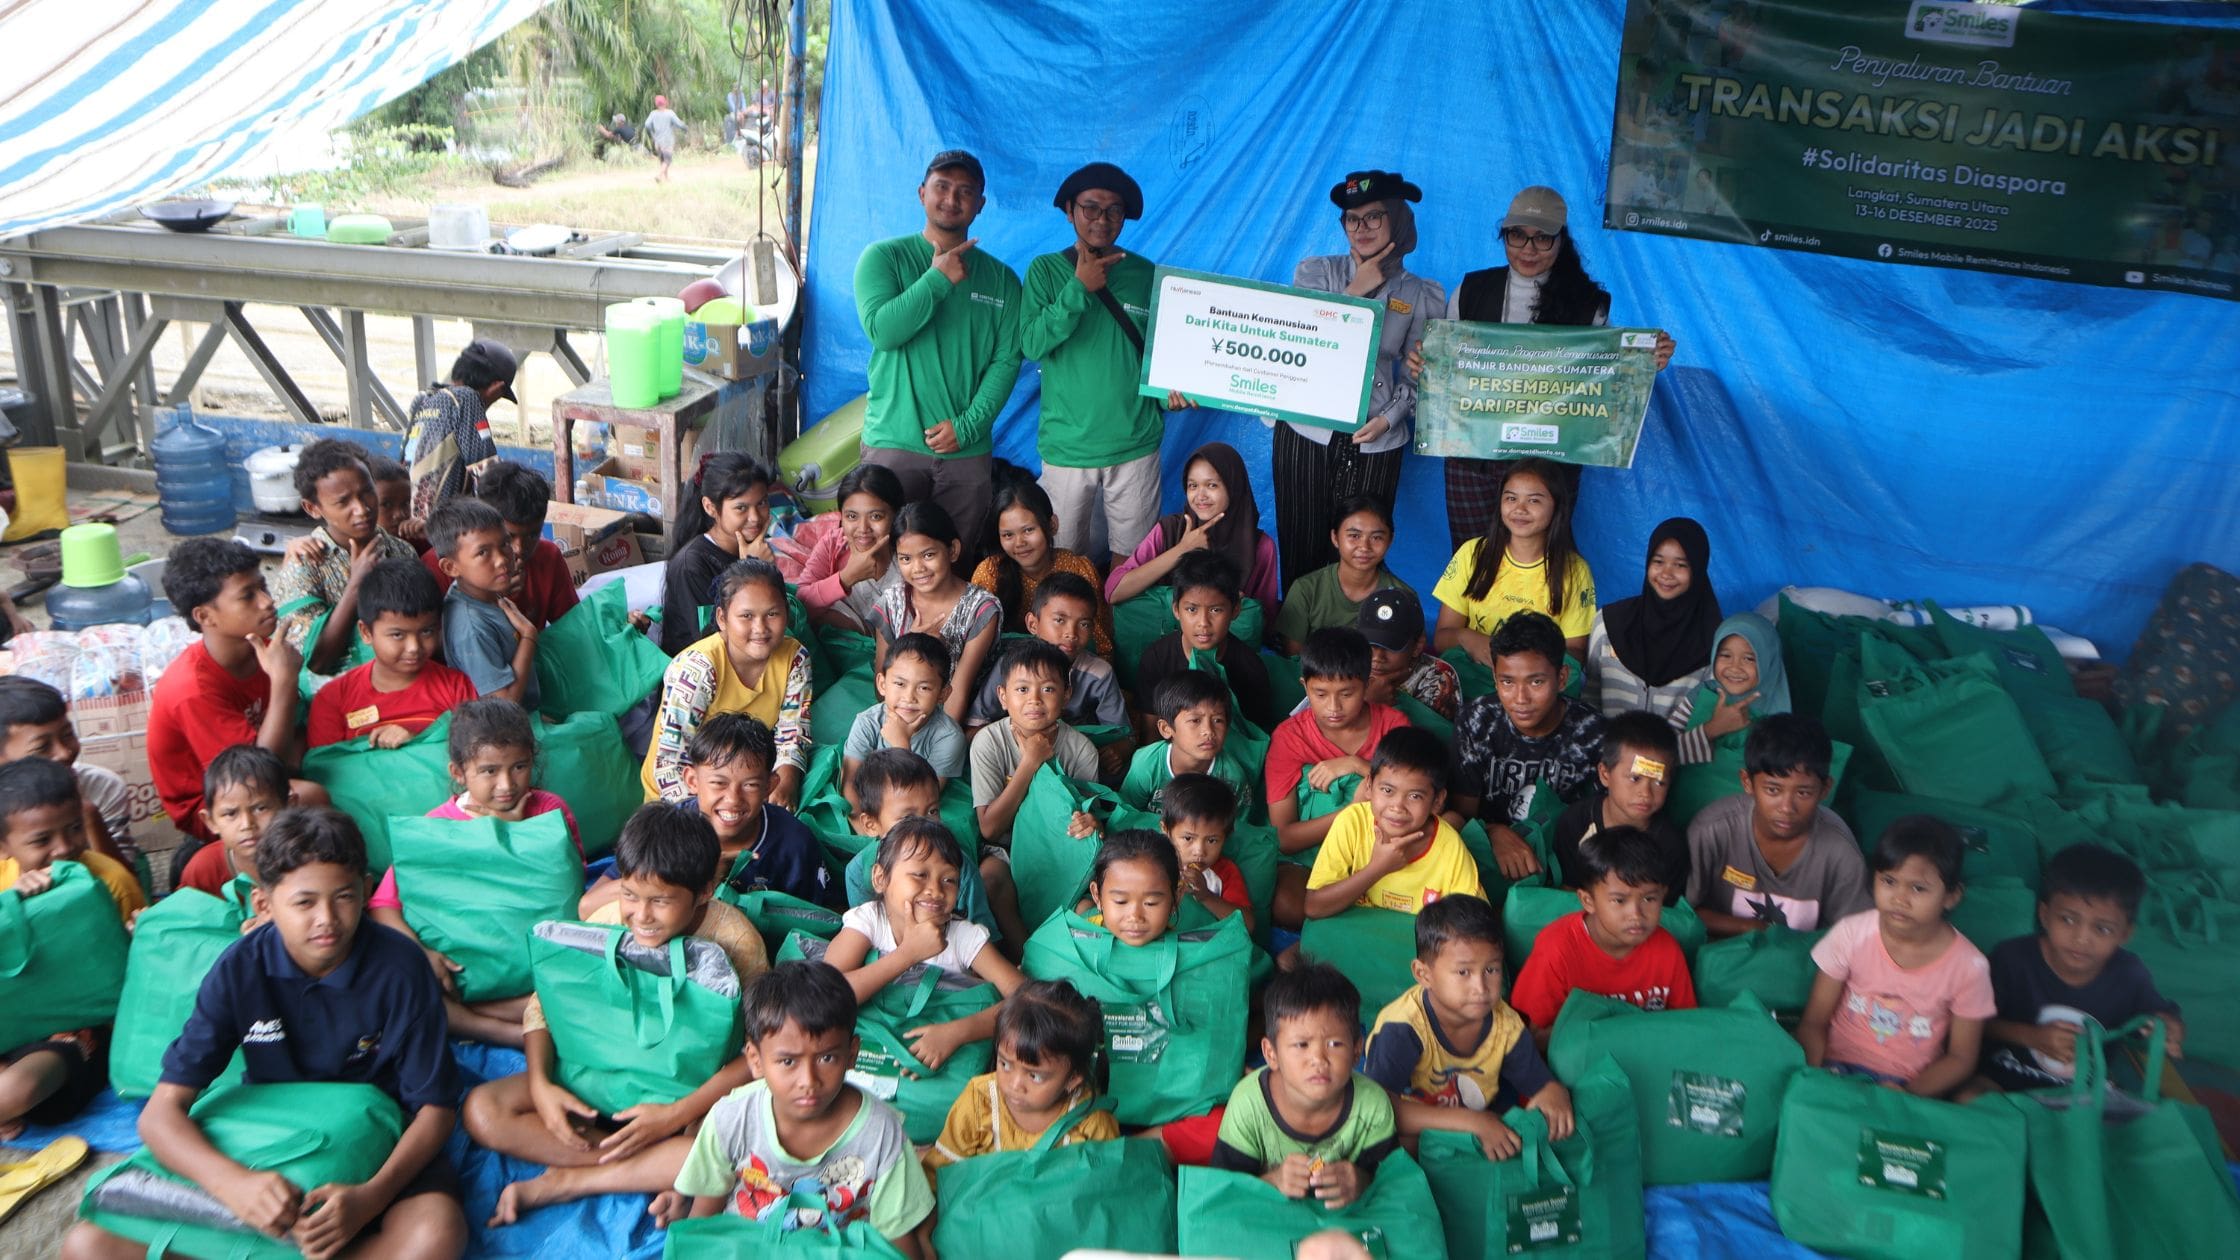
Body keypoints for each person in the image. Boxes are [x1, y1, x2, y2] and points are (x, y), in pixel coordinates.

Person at [61, 809, 467, 1260]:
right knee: (88, 1245)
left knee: (436, 1234)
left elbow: (435, 1110)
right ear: (264, 904)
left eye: (344, 897)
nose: (326, 918)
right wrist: (234, 1183)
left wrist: (370, 1197)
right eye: (304, 902)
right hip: (269, 1131)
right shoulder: (240, 969)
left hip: (382, 1136)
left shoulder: (401, 968)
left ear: (367, 891)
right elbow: (159, 1116)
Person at [471, 803, 764, 1224]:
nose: (640, 916)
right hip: (597, 1080)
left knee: (724, 1152)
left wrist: (675, 1115)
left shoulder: (737, 941)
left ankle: (573, 1179)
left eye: (660, 901)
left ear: (705, 890)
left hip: (685, 1096)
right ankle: (644, 1166)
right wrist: (540, 1088)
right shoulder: (610, 920)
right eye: (630, 894)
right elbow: (543, 1007)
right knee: (483, 1110)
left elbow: (757, 1052)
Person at [1416, 186, 1676, 550]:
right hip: (1473, 457)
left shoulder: (1588, 304)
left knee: (1538, 561)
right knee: (1472, 559)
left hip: (1549, 462)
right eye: (1517, 235)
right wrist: (1424, 367)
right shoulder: (1470, 290)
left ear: (1561, 240)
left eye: (1542, 239)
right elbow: (1448, 371)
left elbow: (1605, 376)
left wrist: (1646, 363)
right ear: (1503, 235)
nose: (1528, 249)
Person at [651, 962, 933, 1256]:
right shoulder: (732, 1117)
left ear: (852, 1054)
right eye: (788, 1062)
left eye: (827, 1059)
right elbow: (705, 1225)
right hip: (750, 1247)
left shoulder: (881, 1132)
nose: (808, 1081)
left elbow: (899, 1244)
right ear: (755, 1060)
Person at [371, 698, 582, 1047]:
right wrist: (423, 954)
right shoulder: (436, 829)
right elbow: (383, 906)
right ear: (458, 772)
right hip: (463, 978)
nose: (506, 784)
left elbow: (565, 887)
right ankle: (516, 1026)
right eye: (489, 771)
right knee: (405, 985)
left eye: (519, 767)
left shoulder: (550, 812)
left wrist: (509, 834)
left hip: (540, 970)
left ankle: (488, 1019)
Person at [1273, 171, 1443, 585]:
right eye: (1353, 219)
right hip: (1307, 430)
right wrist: (1357, 290)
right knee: (1301, 540)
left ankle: (1359, 642)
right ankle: (1299, 642)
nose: (1362, 228)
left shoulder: (1420, 292)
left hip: (1377, 435)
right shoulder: (1317, 273)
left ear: (1397, 221)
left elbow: (1421, 373)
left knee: (1364, 552)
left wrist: (1390, 418)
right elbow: (1305, 343)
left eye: (1374, 217)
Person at [854, 150, 1023, 558]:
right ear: (921, 193)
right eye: (942, 187)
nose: (952, 198)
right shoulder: (883, 258)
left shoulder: (1001, 279)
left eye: (965, 191)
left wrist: (967, 427)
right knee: (880, 559)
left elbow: (1006, 362)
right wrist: (938, 278)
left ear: (980, 205)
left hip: (966, 453)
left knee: (954, 560)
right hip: (895, 441)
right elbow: (884, 330)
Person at [1020, 163, 1166, 566]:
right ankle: (1065, 631)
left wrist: (1174, 392)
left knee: (1132, 560)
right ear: (1070, 211)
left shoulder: (1146, 274)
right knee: (1063, 556)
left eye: (1113, 211)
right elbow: (1031, 343)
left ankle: (1122, 629)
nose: (1102, 219)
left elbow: (1164, 351)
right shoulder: (1046, 270)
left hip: (1134, 441)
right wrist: (1078, 289)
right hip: (1068, 445)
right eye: (1090, 208)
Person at [1798, 817, 1993, 1097]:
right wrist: (1814, 1075)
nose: (1900, 898)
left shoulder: (1969, 967)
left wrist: (1908, 1094)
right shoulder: (1851, 933)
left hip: (1909, 1084)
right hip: (1833, 1069)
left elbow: (1961, 1058)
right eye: (1889, 881)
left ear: (1951, 896)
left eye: (1918, 888)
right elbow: (1813, 1021)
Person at [1363, 894, 1571, 1157]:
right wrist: (1472, 1123)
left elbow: (1539, 1083)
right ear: (1423, 974)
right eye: (1464, 972)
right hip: (1416, 1128)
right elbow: (1379, 1110)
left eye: (1491, 970)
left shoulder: (1506, 1024)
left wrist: (1554, 1093)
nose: (1481, 988)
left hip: (1480, 1122)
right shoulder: (1402, 1029)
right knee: (1384, 1149)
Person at [0, 759, 139, 1142]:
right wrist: (16, 906)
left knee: (14, 1092)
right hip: (10, 1022)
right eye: (41, 840)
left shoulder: (109, 881)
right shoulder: (3, 888)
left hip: (78, 1029)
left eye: (75, 828)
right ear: (3, 846)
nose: (64, 848)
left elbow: (131, 978)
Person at [1975, 843, 2185, 1093]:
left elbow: (2159, 1018)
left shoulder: (2129, 975)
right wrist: (2032, 1037)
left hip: (2083, 1091)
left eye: (2102, 929)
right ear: (2044, 915)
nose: (2082, 938)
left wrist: (2169, 1030)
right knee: (1970, 1097)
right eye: (2068, 919)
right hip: (2005, 1075)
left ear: (2125, 934)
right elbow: (1974, 1022)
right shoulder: (2012, 958)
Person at [825, 818, 1028, 1072]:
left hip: (944, 1060)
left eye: (949, 880)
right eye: (920, 875)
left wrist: (957, 1033)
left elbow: (1026, 998)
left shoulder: (964, 938)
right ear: (880, 878)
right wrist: (908, 954)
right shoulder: (869, 920)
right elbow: (825, 995)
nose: (935, 890)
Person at [150, 538, 316, 844]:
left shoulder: (260, 648)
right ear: (204, 616)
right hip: (216, 805)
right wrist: (284, 681)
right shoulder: (192, 689)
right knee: (313, 795)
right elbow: (256, 776)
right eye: (247, 596)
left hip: (263, 765)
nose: (267, 601)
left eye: (263, 586)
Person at [1210, 963, 1396, 1209]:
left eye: (1334, 1044)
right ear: (1271, 1053)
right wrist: (1273, 1181)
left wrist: (1360, 1181)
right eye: (1301, 1045)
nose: (1318, 1059)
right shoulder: (1249, 1105)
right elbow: (1222, 1191)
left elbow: (1393, 1184)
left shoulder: (1372, 1106)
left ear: (1356, 1051)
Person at [1446, 612, 1609, 881]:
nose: (1521, 698)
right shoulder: (1477, 721)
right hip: (1489, 854)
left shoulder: (1592, 733)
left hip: (1563, 862)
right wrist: (1494, 832)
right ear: (1496, 679)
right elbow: (1462, 815)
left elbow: (1598, 827)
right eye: (1507, 682)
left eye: (1536, 682)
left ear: (1562, 677)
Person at [643, 559, 811, 809]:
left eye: (772, 614)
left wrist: (783, 786)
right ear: (722, 618)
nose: (760, 628)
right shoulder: (697, 669)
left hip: (748, 790)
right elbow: (670, 764)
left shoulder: (795, 659)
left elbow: (792, 735)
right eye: (746, 616)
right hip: (681, 800)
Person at [1687, 713, 1871, 938]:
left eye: (1803, 792)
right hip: (1720, 962)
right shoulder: (1712, 830)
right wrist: (1754, 929)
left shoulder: (1840, 853)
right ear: (1747, 782)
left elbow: (1854, 938)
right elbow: (1685, 915)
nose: (1786, 807)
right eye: (1773, 790)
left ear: (1825, 789)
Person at [971, 638, 1102, 945]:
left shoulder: (1081, 749)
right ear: (1003, 696)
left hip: (1057, 849)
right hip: (1006, 848)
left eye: (1048, 689)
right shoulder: (988, 741)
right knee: (990, 880)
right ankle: (1025, 957)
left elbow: (1084, 822)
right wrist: (1030, 763)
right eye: (1022, 689)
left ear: (1067, 695)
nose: (1035, 700)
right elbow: (990, 829)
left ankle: (1061, 952)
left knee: (1088, 901)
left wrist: (1091, 823)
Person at [1509, 827, 1698, 1035]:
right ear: (1588, 901)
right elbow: (1527, 1036)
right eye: (1619, 900)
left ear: (1663, 896)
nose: (1636, 914)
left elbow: (1685, 1027)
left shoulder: (1667, 950)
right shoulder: (1557, 950)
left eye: (1649, 899)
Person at [923, 979, 1118, 1173]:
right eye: (1005, 1064)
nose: (1015, 1085)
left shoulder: (1091, 1123)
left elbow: (1103, 1187)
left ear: (1072, 1079)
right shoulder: (980, 1102)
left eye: (1035, 1077)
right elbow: (942, 1173)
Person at [275, 439, 422, 677]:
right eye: (343, 502)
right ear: (313, 508)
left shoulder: (402, 551)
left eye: (367, 492)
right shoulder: (305, 563)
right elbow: (314, 662)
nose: (362, 508)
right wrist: (356, 585)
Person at [1267, 627, 1410, 868]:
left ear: (1367, 685)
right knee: (1286, 903)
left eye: (1346, 694)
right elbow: (1284, 838)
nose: (1333, 707)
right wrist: (1351, 813)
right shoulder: (1290, 737)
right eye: (1320, 694)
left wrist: (1355, 764)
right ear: (1304, 686)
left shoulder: (1393, 726)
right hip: (1312, 855)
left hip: (1380, 846)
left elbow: (1412, 793)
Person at [1431, 458, 1596, 666]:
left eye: (1534, 500)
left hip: (1536, 682)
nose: (1520, 509)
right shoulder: (1472, 553)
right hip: (1477, 675)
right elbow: (1441, 638)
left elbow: (1575, 653)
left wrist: (1524, 663)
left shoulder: (1575, 570)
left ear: (1556, 505)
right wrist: (1468, 638)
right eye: (1510, 498)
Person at [1304, 728, 1483, 919]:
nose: (1397, 806)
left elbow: (1473, 925)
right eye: (1387, 790)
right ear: (1369, 786)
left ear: (1437, 801)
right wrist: (1377, 868)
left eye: (1415, 796)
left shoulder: (1449, 846)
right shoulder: (1352, 822)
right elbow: (1314, 907)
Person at [306, 560, 479, 749]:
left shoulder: (457, 688)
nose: (414, 647)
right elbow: (324, 765)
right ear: (366, 632)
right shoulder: (333, 699)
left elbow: (475, 751)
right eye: (398, 635)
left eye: (427, 632)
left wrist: (418, 738)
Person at [1106, 442, 1279, 613]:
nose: (1200, 495)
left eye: (1212, 485)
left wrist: (1236, 607)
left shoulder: (1261, 547)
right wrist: (1182, 550)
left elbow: (1265, 619)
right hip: (1165, 637)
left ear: (1234, 487)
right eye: (1193, 485)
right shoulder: (1169, 530)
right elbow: (1114, 592)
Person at [870, 502, 1001, 725]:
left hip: (960, 714)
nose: (918, 568)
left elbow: (959, 689)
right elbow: (881, 688)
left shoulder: (980, 609)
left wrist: (940, 739)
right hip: (903, 710)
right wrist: (909, 644)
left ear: (952, 550)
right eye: (906, 559)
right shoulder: (890, 603)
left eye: (928, 555)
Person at [686, 715, 833, 906]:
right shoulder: (667, 834)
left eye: (750, 785)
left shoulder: (794, 844)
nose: (733, 798)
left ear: (769, 786)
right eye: (718, 783)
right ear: (692, 781)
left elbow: (819, 918)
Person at [1585, 518, 1720, 719]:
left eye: (1680, 565)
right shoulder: (1608, 624)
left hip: (1678, 750)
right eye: (1658, 562)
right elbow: (1590, 698)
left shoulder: (1715, 640)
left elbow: (1705, 721)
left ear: (1698, 569)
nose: (1666, 573)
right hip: (1608, 748)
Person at [1130, 550, 1279, 732]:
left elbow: (1254, 738)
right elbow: (1151, 734)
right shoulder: (1157, 659)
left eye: (1215, 610)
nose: (1203, 623)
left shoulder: (1250, 668)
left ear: (1235, 611)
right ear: (1176, 610)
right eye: (1192, 609)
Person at [0, 675, 136, 873]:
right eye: (42, 747)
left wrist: (90, 819)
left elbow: (126, 883)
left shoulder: (101, 787)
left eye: (67, 735)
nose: (64, 752)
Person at [964, 571, 1126, 735]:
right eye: (1059, 620)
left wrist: (1116, 750)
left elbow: (1123, 736)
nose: (1071, 633)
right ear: (1033, 624)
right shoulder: (1011, 665)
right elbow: (974, 728)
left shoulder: (1099, 673)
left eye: (1084, 624)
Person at [1550, 710, 1688, 902]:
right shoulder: (1575, 822)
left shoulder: (1670, 845)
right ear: (1605, 774)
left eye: (1659, 783)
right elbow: (1566, 892)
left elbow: (1666, 912)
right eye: (1635, 778)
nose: (1645, 794)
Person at [969, 475, 1115, 657]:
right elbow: (974, 643)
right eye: (1008, 535)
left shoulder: (1078, 569)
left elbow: (1102, 645)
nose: (1019, 542)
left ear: (1052, 525)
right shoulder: (990, 573)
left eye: (1028, 530)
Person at [423, 462, 579, 630]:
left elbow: (572, 628)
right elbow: (430, 642)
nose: (519, 548)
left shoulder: (548, 557)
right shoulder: (441, 564)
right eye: (507, 538)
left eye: (533, 535)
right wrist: (489, 599)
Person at [662, 453, 780, 655]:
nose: (754, 517)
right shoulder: (691, 565)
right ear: (710, 507)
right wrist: (751, 570)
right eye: (741, 508)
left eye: (761, 503)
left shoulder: (754, 546)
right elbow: (715, 642)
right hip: (703, 673)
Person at [427, 498, 540, 708]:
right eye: (483, 552)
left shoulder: (482, 591)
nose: (502, 559)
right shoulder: (471, 626)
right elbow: (504, 703)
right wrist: (528, 636)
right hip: (507, 727)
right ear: (451, 567)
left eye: (504, 544)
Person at [773, 463, 905, 632]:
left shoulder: (909, 549)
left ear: (896, 515)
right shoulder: (835, 544)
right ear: (840, 515)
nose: (863, 528)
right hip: (847, 642)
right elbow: (800, 605)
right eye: (852, 516)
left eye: (876, 516)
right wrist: (847, 578)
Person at [844, 634, 968, 811]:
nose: (909, 697)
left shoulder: (948, 737)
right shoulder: (868, 722)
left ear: (943, 694)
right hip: (868, 804)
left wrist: (901, 745)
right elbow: (849, 783)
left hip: (914, 811)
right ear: (882, 684)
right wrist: (864, 827)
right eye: (900, 684)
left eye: (924, 688)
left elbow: (923, 799)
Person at [1275, 497, 1411, 655]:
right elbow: (1294, 658)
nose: (1364, 547)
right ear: (1335, 537)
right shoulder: (1306, 590)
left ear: (1390, 540)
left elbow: (1403, 660)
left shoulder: (1403, 597)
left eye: (1376, 538)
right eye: (1354, 536)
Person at [402, 339, 517, 523]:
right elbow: (488, 476)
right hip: (439, 529)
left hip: (407, 522)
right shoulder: (466, 398)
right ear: (497, 387)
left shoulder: (423, 399)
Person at [1121, 670, 1254, 817]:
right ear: (1166, 729)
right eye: (1195, 720)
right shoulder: (1146, 765)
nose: (1208, 731)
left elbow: (1239, 831)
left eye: (1218, 720)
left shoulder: (1232, 778)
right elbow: (1126, 817)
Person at [1667, 612, 1788, 765]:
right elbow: (1657, 753)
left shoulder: (1780, 715)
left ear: (1768, 661)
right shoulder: (1702, 694)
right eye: (1725, 655)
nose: (1735, 667)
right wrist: (1712, 729)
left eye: (1749, 658)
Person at [172, 746, 290, 898]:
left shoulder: (309, 859)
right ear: (210, 821)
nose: (247, 824)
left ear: (289, 806)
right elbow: (183, 916)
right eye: (231, 814)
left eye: (260, 809)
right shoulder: (204, 869)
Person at [1162, 774, 1253, 931]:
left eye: (1212, 840)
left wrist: (1206, 896)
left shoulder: (1225, 873)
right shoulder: (1153, 863)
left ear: (1226, 837)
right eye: (1188, 838)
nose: (1199, 851)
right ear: (1166, 830)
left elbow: (1248, 926)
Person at [1358, 588, 1460, 724]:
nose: (1377, 657)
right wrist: (1364, 700)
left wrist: (1368, 706)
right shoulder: (1349, 664)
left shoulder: (1438, 679)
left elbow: (1425, 741)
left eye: (1391, 647)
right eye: (1369, 645)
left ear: (1417, 646)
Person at [366, 455, 425, 554]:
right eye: (386, 504)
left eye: (406, 503)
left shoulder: (417, 541)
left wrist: (430, 537)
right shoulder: (353, 549)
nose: (399, 514)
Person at [643, 95, 685, 183]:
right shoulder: (669, 113)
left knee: (662, 160)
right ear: (665, 103)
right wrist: (684, 127)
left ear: (656, 104)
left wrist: (652, 132)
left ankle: (666, 178)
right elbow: (678, 123)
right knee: (668, 159)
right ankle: (659, 175)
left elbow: (647, 124)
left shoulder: (653, 114)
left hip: (657, 141)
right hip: (667, 140)